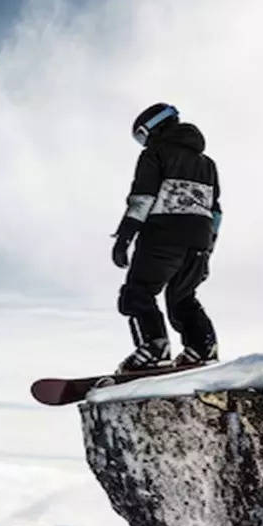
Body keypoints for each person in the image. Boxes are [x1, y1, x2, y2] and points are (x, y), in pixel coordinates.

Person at [110, 103, 222, 373]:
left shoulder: (155, 153)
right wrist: (207, 251)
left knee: (138, 291)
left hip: (163, 234)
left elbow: (143, 198)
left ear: (153, 127)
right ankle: (202, 347)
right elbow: (215, 211)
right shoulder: (207, 164)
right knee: (182, 296)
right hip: (199, 239)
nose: (142, 142)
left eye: (141, 135)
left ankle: (153, 348)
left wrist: (125, 236)